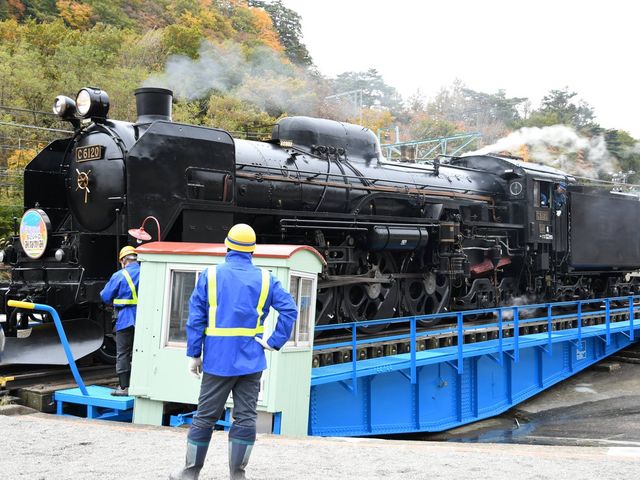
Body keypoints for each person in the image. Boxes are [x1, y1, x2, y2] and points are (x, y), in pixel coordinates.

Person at [170, 223, 298, 480]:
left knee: (204, 419)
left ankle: (189, 474)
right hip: (252, 361)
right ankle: (237, 476)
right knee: (245, 419)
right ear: (252, 251)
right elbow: (290, 310)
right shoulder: (266, 278)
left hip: (218, 361)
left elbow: (195, 319)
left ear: (227, 246)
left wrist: (194, 354)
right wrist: (273, 342)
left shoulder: (210, 276)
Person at [100, 245, 140, 396]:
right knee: (141, 352)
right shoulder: (146, 273)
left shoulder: (119, 275)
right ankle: (140, 384)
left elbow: (105, 296)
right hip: (144, 319)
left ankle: (124, 388)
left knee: (123, 353)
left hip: (125, 318)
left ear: (123, 260)